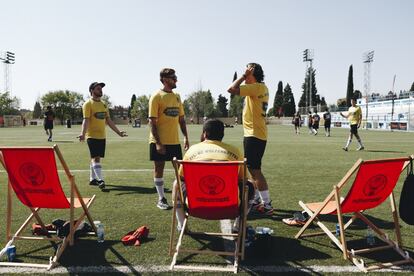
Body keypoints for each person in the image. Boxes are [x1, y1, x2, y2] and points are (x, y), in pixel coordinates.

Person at [173, 119, 255, 231]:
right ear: (222, 135)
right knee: (250, 185)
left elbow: (181, 178)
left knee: (176, 184)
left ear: (205, 133)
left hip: (196, 206)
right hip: (229, 206)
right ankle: (239, 224)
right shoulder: (235, 151)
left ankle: (182, 225)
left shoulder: (192, 150)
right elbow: (244, 179)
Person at [227, 63, 274, 215]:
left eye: (248, 71)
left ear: (253, 73)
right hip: (257, 134)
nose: (245, 73)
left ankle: (266, 204)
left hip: (253, 134)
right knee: (253, 169)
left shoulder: (255, 87)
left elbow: (231, 89)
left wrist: (242, 77)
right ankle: (259, 201)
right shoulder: (261, 87)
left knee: (255, 170)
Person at [149, 68, 189, 210]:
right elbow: (152, 122)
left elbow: (182, 120)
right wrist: (159, 143)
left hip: (174, 142)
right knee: (158, 168)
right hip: (159, 141)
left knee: (180, 170)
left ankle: (183, 196)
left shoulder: (177, 96)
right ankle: (161, 198)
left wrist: (185, 138)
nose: (176, 80)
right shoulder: (156, 97)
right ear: (165, 80)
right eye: (173, 77)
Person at [78, 82, 127, 189]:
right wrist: (82, 133)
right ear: (92, 90)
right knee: (96, 158)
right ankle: (101, 180)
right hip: (91, 136)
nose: (101, 90)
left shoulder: (104, 104)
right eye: (98, 88)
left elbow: (108, 120)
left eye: (101, 88)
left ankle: (92, 179)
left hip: (102, 136)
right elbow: (85, 120)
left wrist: (119, 132)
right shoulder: (88, 104)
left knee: (96, 158)